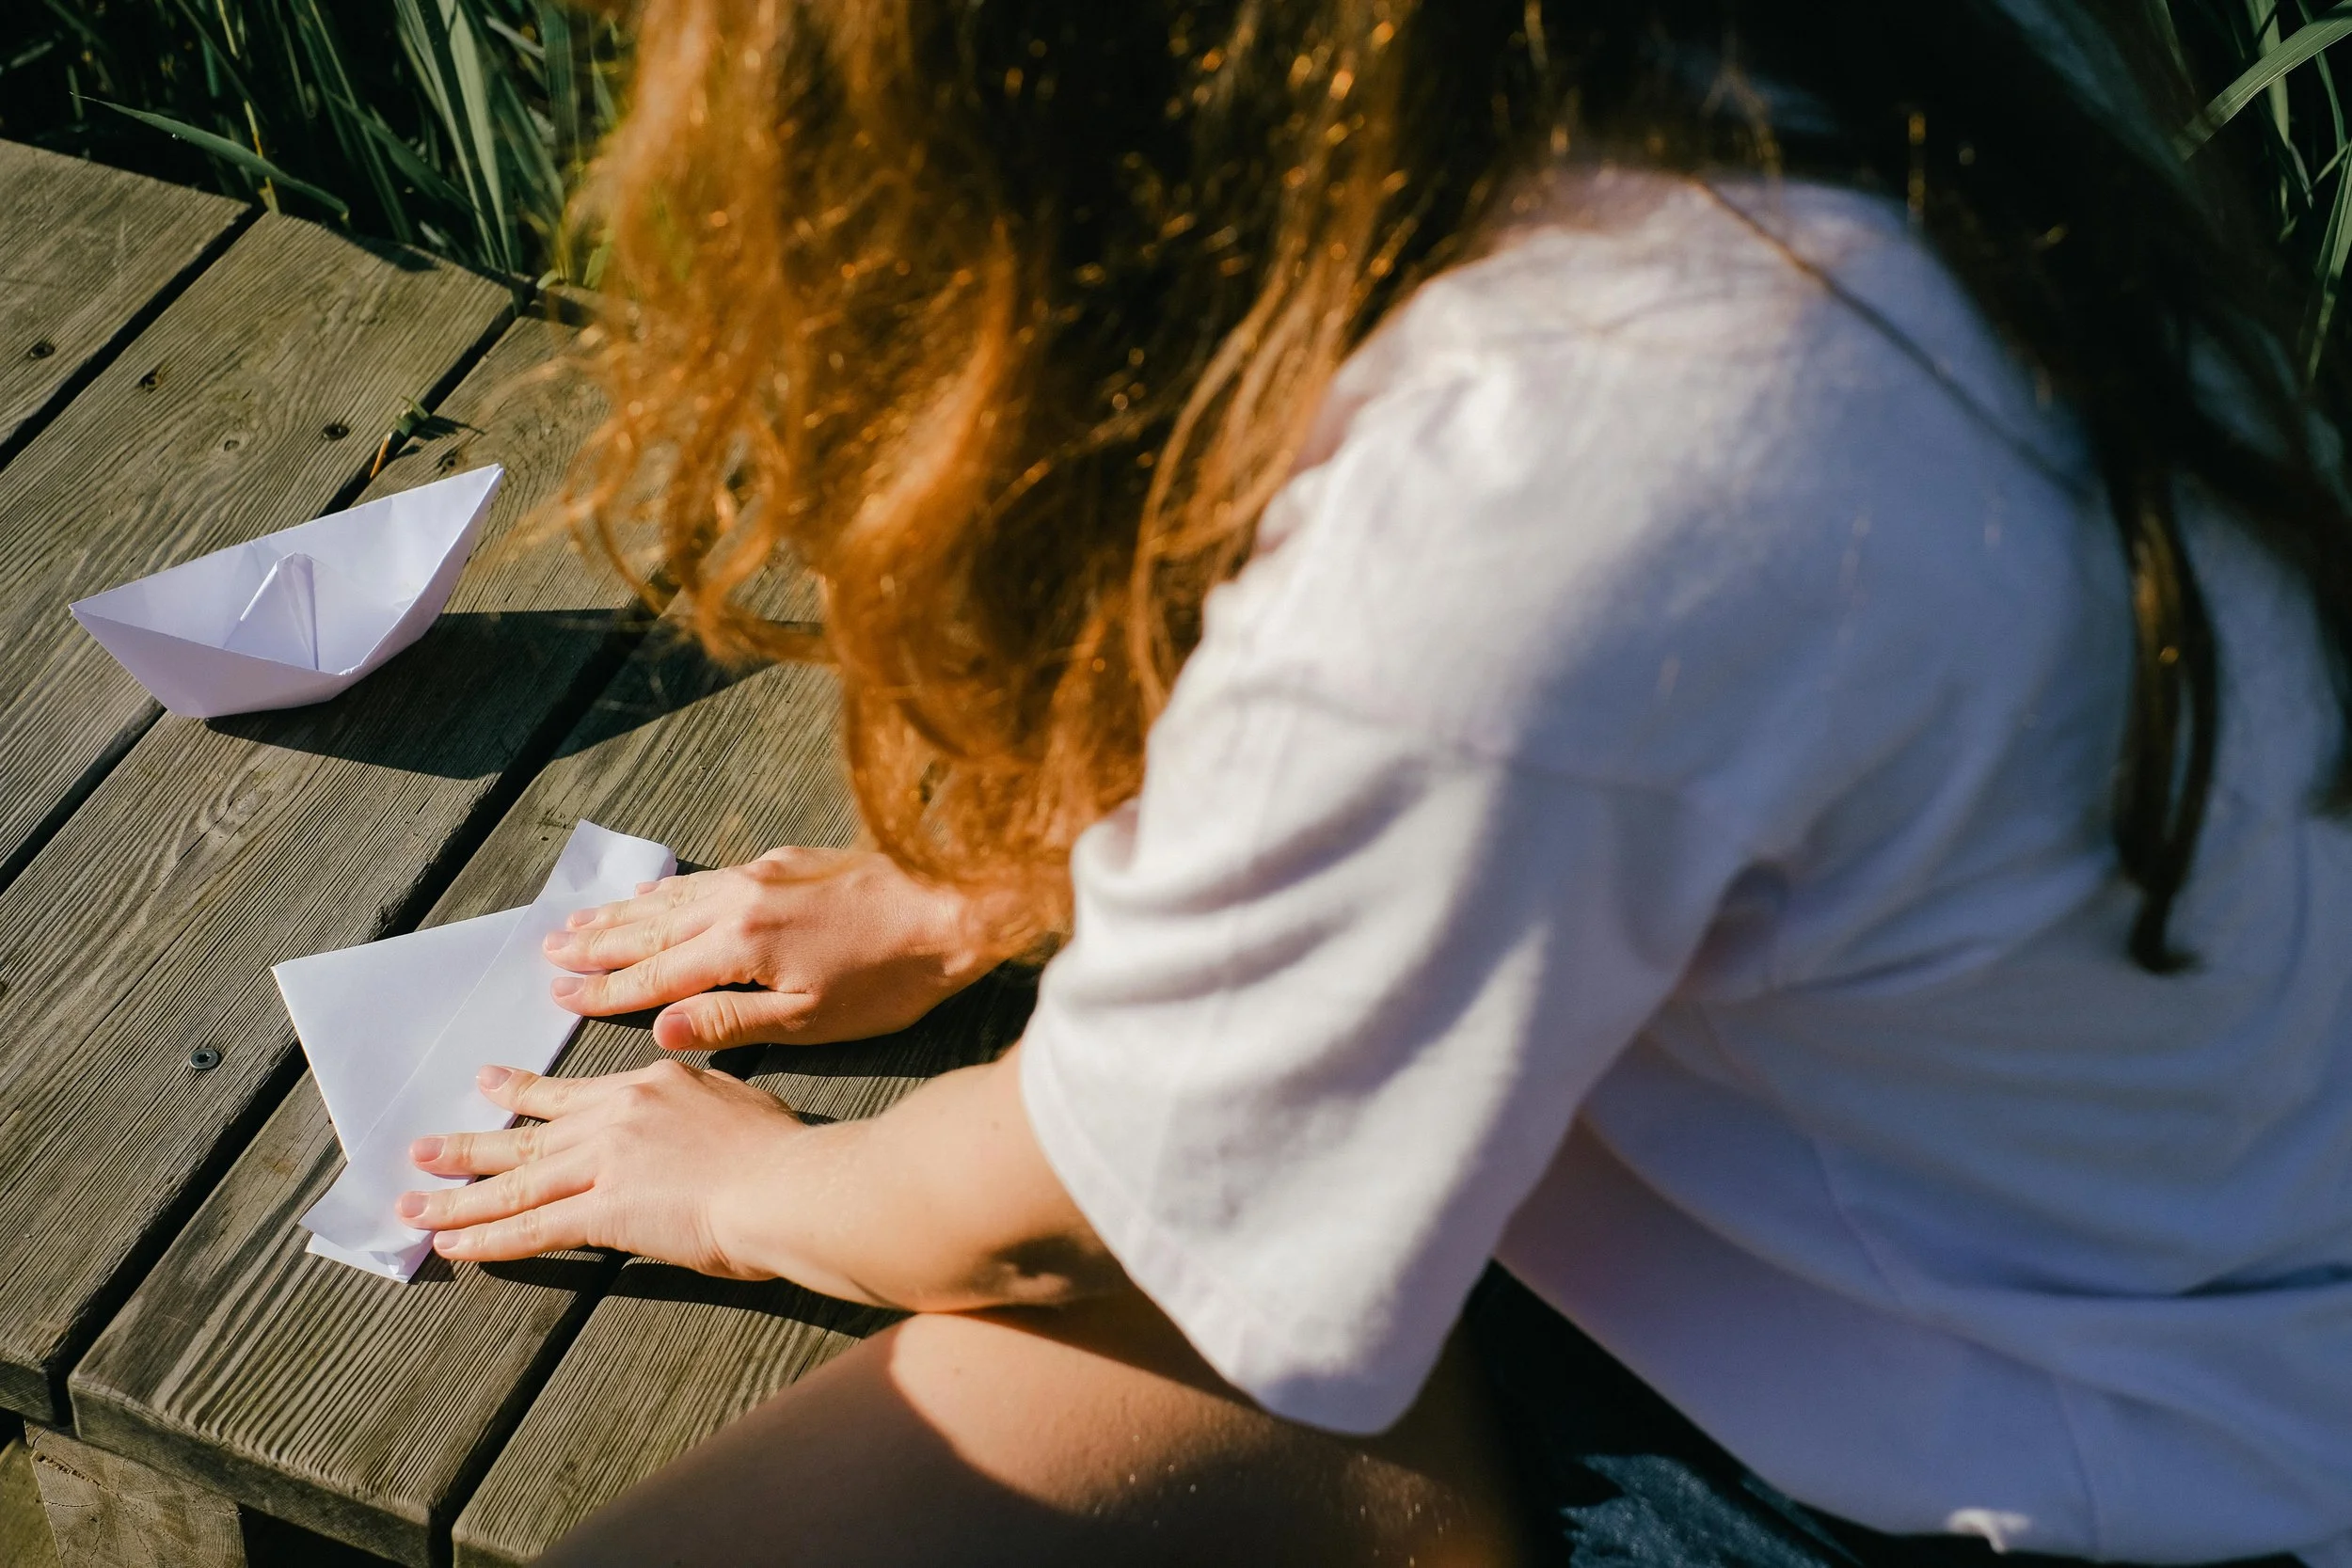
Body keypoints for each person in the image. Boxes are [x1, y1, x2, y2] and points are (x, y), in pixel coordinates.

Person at [396, 3, 2352, 1563]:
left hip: (1962, 1469)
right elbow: (1629, 740)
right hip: (2014, 1241)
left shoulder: (1570, 460)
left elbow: (1073, 1204)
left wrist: (750, 1187)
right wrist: (1004, 882)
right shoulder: (1786, 91)